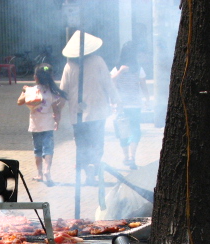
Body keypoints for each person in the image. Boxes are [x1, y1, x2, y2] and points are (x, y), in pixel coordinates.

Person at [59, 30, 119, 185]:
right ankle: (95, 168)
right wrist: (116, 100)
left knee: (82, 146)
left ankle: (89, 174)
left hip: (78, 114)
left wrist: (57, 110)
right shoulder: (98, 61)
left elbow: (63, 91)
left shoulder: (69, 66)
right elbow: (108, 83)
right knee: (97, 143)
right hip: (97, 112)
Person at [17, 63, 67, 186]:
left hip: (35, 125)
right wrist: (57, 121)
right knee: (48, 149)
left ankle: (39, 173)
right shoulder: (52, 92)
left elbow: (19, 102)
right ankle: (47, 171)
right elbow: (56, 109)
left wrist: (24, 91)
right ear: (50, 77)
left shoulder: (31, 90)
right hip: (48, 125)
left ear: (35, 77)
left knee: (37, 149)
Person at [111, 41, 150, 170]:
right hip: (130, 105)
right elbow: (144, 86)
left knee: (124, 131)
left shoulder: (119, 68)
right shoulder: (135, 69)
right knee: (133, 130)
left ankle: (128, 157)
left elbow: (111, 83)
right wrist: (147, 99)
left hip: (126, 106)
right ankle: (131, 157)